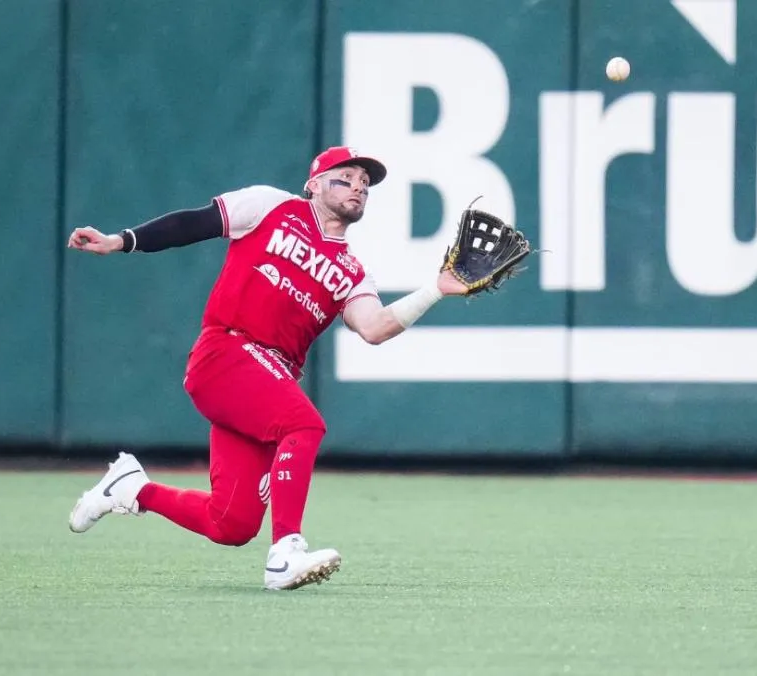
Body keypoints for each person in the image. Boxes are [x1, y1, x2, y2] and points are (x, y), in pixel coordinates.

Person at [66, 146, 473, 590]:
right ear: (313, 184)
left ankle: (131, 489)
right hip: (226, 351)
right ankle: (285, 553)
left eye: (364, 183)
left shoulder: (353, 272)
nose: (357, 187)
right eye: (345, 177)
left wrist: (436, 289)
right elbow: (194, 223)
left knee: (231, 523)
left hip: (263, 379)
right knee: (305, 425)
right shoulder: (271, 206)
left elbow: (374, 328)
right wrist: (121, 240)